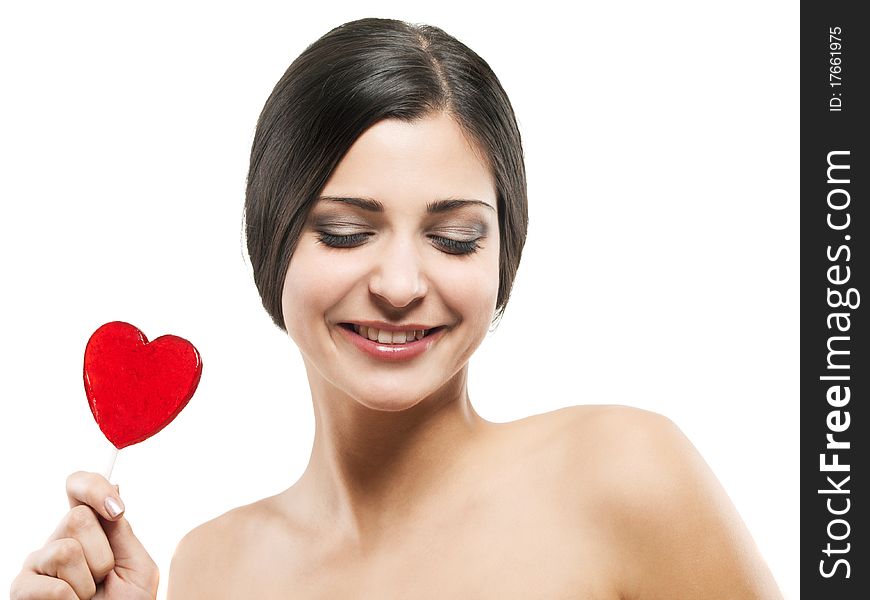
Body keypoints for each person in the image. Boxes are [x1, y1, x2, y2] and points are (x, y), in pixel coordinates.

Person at [10, 17, 783, 599]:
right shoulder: (210, 566)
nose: (402, 284)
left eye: (454, 238)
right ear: (271, 238)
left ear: (504, 253)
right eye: (347, 232)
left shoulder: (623, 471)